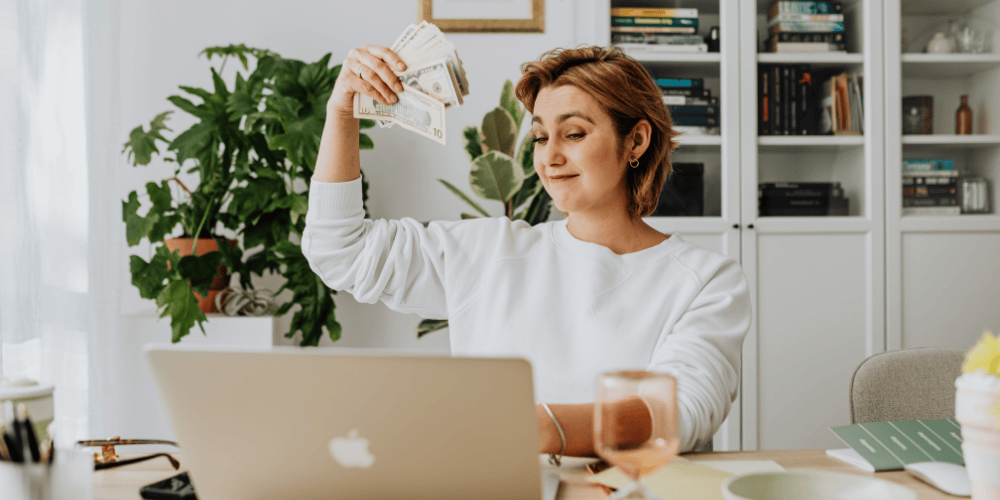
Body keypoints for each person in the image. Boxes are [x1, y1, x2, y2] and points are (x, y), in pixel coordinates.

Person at [303, 44, 751, 457]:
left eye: (573, 134)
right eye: (540, 137)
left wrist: (536, 426)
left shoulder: (706, 280)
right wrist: (341, 115)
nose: (549, 157)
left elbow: (682, 412)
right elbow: (340, 250)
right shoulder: (488, 252)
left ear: (635, 141)